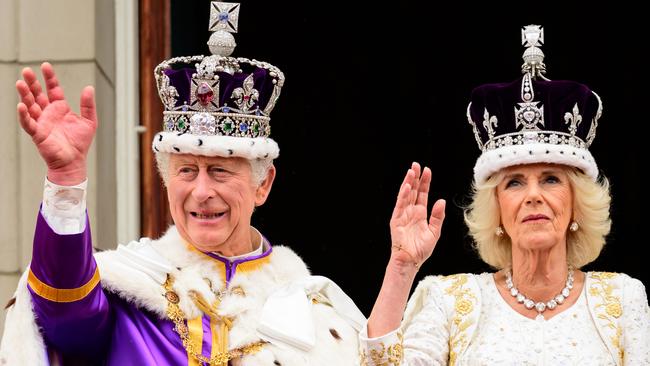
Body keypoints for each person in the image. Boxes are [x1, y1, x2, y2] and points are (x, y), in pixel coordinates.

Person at [0, 2, 364, 365]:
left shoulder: (312, 313)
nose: (201, 191)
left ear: (262, 184)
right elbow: (64, 314)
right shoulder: (128, 289)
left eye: (220, 171)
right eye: (186, 171)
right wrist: (66, 181)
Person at [359, 25, 650, 365]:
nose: (533, 195)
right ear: (496, 206)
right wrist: (401, 267)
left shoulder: (622, 299)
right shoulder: (450, 301)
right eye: (514, 182)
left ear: (576, 202)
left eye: (551, 179)